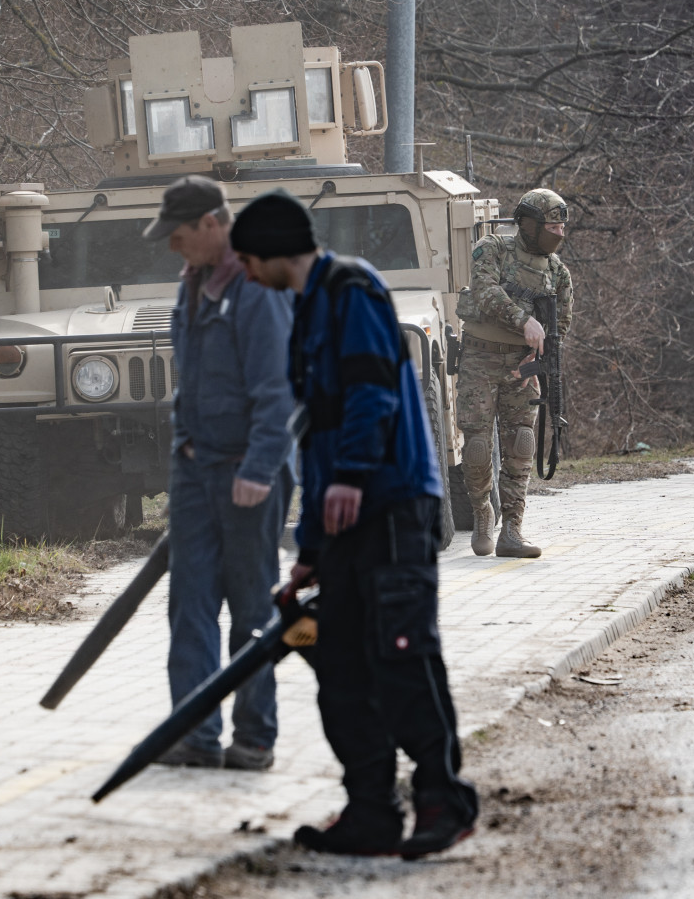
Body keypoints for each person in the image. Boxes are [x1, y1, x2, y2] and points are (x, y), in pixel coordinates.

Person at [231, 188, 478, 859]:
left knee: (402, 657)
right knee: (337, 664)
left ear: (272, 251)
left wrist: (352, 474)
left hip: (392, 503)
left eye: (248, 260)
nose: (245, 273)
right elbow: (317, 438)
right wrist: (311, 549)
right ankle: (371, 811)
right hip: (343, 517)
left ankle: (443, 800)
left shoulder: (352, 289)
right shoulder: (306, 312)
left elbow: (372, 392)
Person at [142, 175, 295, 771]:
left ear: (211, 224)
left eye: (178, 235)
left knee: (253, 611)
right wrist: (181, 453)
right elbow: (189, 386)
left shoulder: (257, 287)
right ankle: (195, 735)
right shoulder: (193, 284)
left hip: (247, 477)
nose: (172, 246)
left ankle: (254, 739)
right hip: (196, 475)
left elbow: (278, 390)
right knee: (190, 606)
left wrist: (259, 468)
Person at [454, 188, 575, 559]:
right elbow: (485, 291)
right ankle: (482, 512)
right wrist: (524, 321)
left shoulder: (557, 273)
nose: (559, 233)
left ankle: (512, 530)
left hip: (520, 368)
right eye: (551, 226)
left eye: (562, 227)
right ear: (529, 224)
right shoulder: (492, 248)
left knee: (521, 446)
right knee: (477, 447)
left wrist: (536, 362)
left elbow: (560, 328)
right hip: (479, 359)